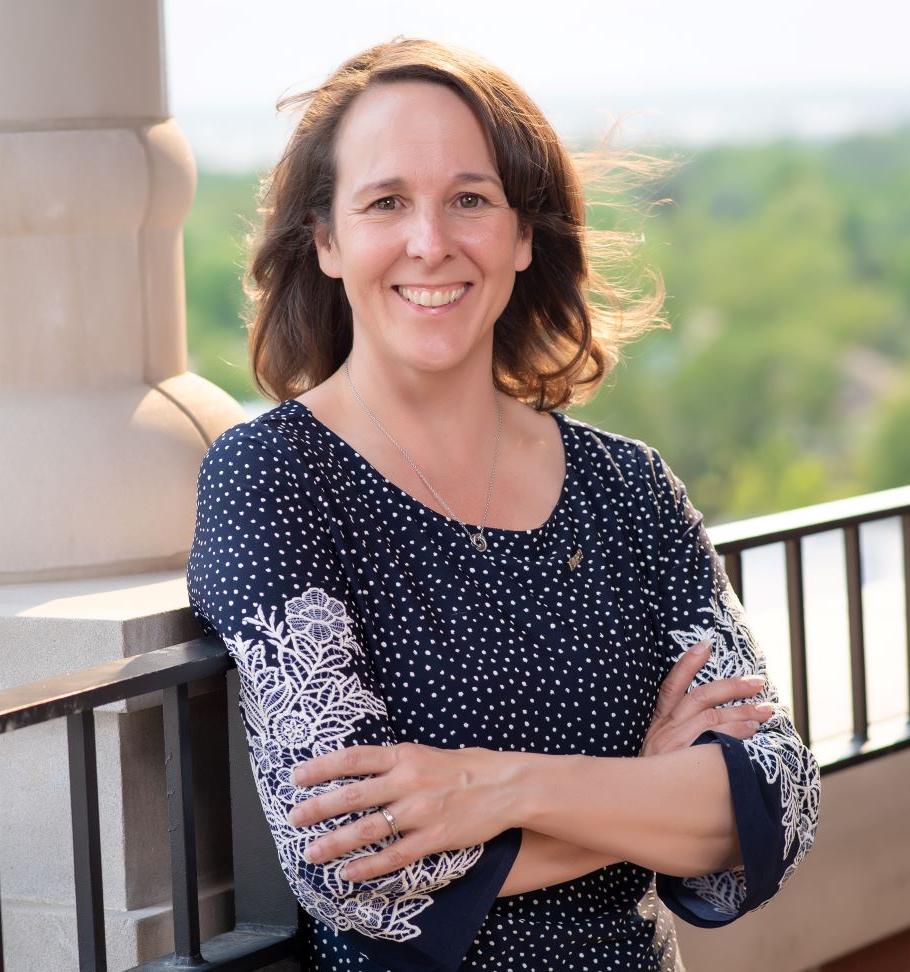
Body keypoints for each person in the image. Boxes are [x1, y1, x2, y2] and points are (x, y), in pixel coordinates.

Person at [186, 38, 820, 972]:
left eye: (470, 200)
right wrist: (647, 795)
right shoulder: (273, 479)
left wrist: (497, 787)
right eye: (386, 202)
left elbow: (777, 798)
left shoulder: (630, 491)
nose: (431, 241)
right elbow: (353, 864)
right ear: (326, 241)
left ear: (524, 236)